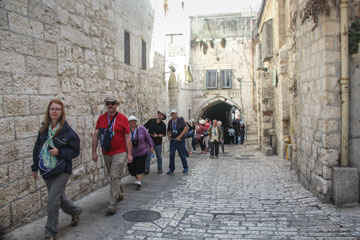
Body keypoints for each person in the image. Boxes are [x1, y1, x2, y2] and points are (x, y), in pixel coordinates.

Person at [32, 99, 82, 240]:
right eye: (52, 109)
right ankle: (76, 210)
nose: (54, 111)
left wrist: (59, 152)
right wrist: (34, 167)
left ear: (62, 112)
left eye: (58, 109)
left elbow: (75, 151)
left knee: (52, 199)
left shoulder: (67, 132)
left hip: (62, 169)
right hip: (47, 169)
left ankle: (50, 232)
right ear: (49, 111)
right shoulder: (43, 130)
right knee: (58, 197)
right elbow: (37, 149)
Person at [92, 96, 133, 215]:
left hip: (120, 152)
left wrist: (129, 153)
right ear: (106, 105)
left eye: (113, 103)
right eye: (108, 103)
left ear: (117, 105)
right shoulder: (101, 119)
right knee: (113, 176)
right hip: (106, 152)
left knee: (115, 176)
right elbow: (95, 136)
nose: (110, 105)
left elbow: (127, 137)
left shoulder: (123, 119)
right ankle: (119, 193)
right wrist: (94, 152)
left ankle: (112, 203)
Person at [127, 116, 154, 190]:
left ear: (136, 122)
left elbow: (148, 138)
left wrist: (151, 147)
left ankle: (139, 181)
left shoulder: (142, 129)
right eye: (131, 121)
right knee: (132, 168)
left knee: (140, 166)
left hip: (142, 152)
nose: (133, 122)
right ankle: (136, 178)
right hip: (131, 153)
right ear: (128, 123)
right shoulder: (126, 130)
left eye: (134, 121)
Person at [167, 109, 189, 174]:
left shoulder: (180, 120)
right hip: (173, 141)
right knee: (171, 155)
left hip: (180, 141)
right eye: (172, 113)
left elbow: (186, 128)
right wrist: (168, 136)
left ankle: (185, 167)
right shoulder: (170, 121)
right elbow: (168, 130)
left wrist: (180, 136)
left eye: (174, 113)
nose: (173, 115)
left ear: (176, 114)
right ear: (171, 115)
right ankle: (171, 169)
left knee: (182, 154)